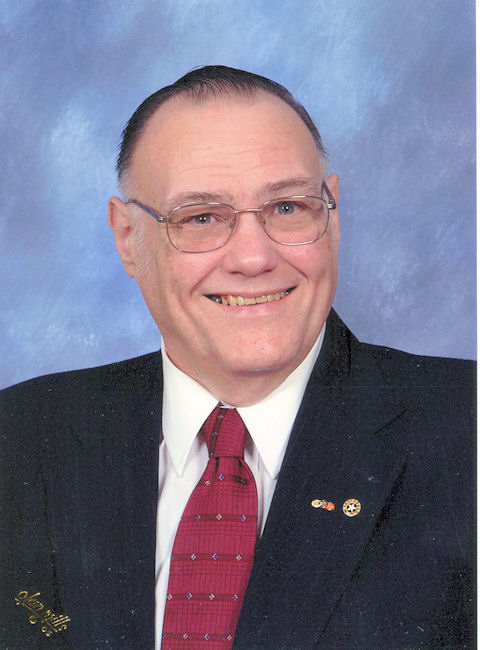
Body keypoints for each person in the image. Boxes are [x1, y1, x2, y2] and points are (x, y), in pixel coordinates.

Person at [1, 66, 474, 649]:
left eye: (287, 208)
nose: (253, 258)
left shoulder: (464, 425)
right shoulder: (18, 437)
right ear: (128, 239)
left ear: (332, 218)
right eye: (201, 218)